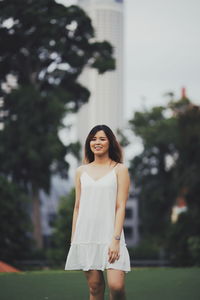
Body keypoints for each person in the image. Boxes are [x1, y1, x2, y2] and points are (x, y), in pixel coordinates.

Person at [65, 124, 131, 300]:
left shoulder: (120, 169)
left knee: (116, 287)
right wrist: (74, 239)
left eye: (102, 138)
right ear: (89, 143)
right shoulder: (81, 171)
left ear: (110, 142)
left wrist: (116, 239)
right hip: (85, 236)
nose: (97, 142)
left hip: (111, 235)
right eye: (93, 139)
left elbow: (121, 206)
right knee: (95, 287)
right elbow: (77, 206)